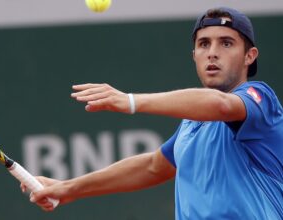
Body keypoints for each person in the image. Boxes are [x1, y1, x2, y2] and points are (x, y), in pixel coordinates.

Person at [21, 7, 283, 219]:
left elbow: (222, 105)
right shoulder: (193, 122)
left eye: (226, 43)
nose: (212, 52)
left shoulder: (260, 101)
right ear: (194, 55)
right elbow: (153, 167)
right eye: (204, 44)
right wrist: (68, 189)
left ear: (250, 56)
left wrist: (131, 101)